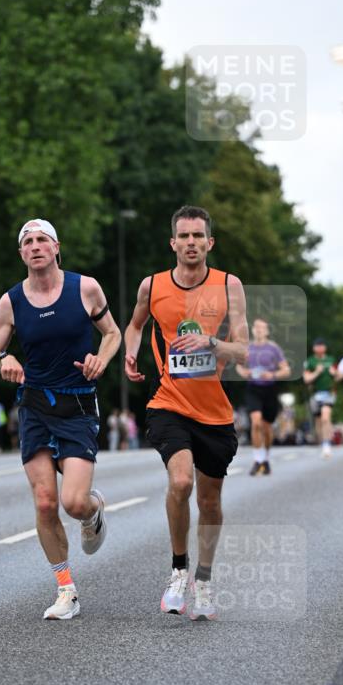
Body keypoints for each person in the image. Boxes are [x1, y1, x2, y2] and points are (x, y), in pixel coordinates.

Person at [0, 218, 121, 620]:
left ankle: (93, 511)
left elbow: (111, 333)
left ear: (57, 247)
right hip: (35, 407)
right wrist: (3, 361)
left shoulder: (85, 288)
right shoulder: (12, 301)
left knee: (72, 501)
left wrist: (102, 357)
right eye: (27, 241)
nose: (35, 246)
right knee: (45, 503)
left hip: (78, 404)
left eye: (42, 239)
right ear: (22, 253)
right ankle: (66, 591)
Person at [124, 205, 249, 621]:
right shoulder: (152, 286)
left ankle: (205, 579)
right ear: (172, 242)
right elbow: (136, 324)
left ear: (209, 242)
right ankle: (178, 571)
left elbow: (245, 350)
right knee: (180, 482)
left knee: (210, 502)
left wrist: (211, 345)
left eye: (199, 236)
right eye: (184, 236)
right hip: (169, 402)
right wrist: (129, 351)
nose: (191, 243)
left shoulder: (229, 285)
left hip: (214, 412)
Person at [234, 317, 290, 475]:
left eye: (261, 327)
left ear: (267, 331)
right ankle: (257, 460)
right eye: (256, 327)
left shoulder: (273, 348)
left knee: (266, 427)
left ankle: (265, 458)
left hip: (270, 390)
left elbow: (286, 370)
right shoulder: (247, 348)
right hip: (253, 389)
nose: (258, 329)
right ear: (252, 330)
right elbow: (239, 366)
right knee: (256, 422)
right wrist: (245, 372)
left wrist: (272, 374)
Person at [302, 338, 337, 458]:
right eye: (317, 346)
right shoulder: (310, 361)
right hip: (315, 394)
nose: (320, 348)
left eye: (322, 346)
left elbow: (338, 377)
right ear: (314, 348)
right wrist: (317, 372)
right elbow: (306, 379)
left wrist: (335, 374)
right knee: (318, 422)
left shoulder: (331, 360)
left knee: (325, 417)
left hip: (329, 393)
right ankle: (323, 443)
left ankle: (327, 445)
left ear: (325, 347)